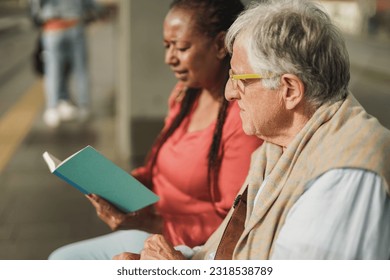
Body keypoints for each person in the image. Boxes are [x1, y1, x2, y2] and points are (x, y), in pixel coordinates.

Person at [114, 0, 390, 260]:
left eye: (239, 79)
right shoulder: (278, 144)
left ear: (290, 90)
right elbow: (228, 250)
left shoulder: (344, 171)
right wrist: (171, 261)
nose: (230, 92)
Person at [48, 0, 263, 260]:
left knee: (62, 261)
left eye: (181, 47)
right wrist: (117, 189)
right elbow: (154, 171)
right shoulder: (185, 95)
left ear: (220, 45)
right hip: (150, 229)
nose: (169, 58)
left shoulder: (241, 120)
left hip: (184, 245)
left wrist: (150, 223)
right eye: (167, 46)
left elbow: (230, 222)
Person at [29, 0, 104, 128]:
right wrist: (98, 11)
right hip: (75, 25)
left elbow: (36, 5)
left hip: (53, 27)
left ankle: (53, 108)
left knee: (53, 70)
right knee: (81, 69)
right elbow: (89, 4)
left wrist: (37, 16)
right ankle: (83, 107)